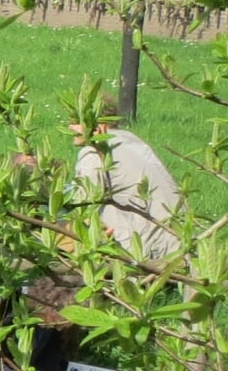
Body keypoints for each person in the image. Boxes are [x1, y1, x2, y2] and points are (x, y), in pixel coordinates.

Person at [73, 94, 182, 260]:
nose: (71, 127)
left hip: (149, 251)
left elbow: (80, 207)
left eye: (76, 121)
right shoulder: (133, 142)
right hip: (179, 239)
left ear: (98, 125)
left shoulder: (95, 152)